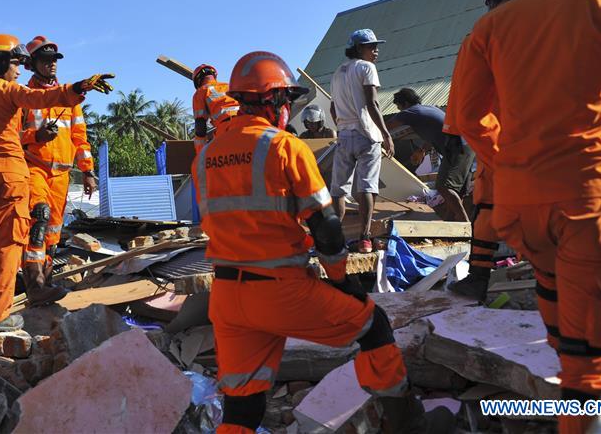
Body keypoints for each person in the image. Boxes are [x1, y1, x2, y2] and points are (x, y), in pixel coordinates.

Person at [453, 0, 601, 434]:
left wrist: (506, 162)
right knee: (590, 356)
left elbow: (466, 117)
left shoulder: (487, 32)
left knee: (557, 309)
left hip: (521, 204)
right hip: (587, 198)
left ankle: (544, 403)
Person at [193, 51, 452, 434]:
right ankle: (409, 425)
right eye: (287, 100)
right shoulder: (284, 147)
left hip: (229, 297)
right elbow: (326, 227)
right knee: (373, 325)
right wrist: (340, 281)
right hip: (281, 290)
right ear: (273, 100)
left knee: (241, 408)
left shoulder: (206, 157)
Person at [0, 35, 113, 342]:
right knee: (8, 246)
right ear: (3, 62)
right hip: (11, 177)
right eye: (16, 64)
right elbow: (42, 98)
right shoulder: (10, 91)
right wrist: (79, 87)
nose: (19, 70)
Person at [445, 0, 531, 301]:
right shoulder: (551, 31)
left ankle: (479, 277)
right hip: (546, 141)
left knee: (489, 208)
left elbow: (465, 105)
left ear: (492, 2)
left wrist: (481, 143)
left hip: (499, 140)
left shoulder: (481, 36)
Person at [19, 36, 98, 306]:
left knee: (53, 231)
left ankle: (46, 280)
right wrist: (36, 136)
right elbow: (12, 136)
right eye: (45, 60)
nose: (52, 64)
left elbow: (80, 137)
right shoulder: (23, 96)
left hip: (62, 174)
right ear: (31, 64)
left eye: (54, 60)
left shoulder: (69, 99)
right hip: (34, 167)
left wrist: (87, 171)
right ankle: (35, 283)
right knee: (37, 219)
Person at [329, 29, 394, 253]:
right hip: (367, 133)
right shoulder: (367, 68)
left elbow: (332, 107)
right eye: (371, 47)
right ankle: (364, 238)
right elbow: (372, 104)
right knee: (367, 186)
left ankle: (334, 241)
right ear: (358, 48)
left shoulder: (337, 72)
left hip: (344, 135)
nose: (376, 51)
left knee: (338, 190)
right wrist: (385, 134)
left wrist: (342, 124)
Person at [387, 88, 475, 222]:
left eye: (398, 106)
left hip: (456, 148)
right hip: (467, 146)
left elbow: (385, 126)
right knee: (458, 190)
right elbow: (435, 134)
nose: (399, 110)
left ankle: (464, 223)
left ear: (404, 103)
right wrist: (422, 150)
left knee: (443, 186)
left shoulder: (409, 112)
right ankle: (451, 223)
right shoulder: (428, 109)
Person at [192, 64, 240, 151]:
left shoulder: (201, 92)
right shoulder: (230, 86)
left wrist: (200, 152)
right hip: (248, 122)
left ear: (197, 81)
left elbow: (200, 126)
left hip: (227, 128)